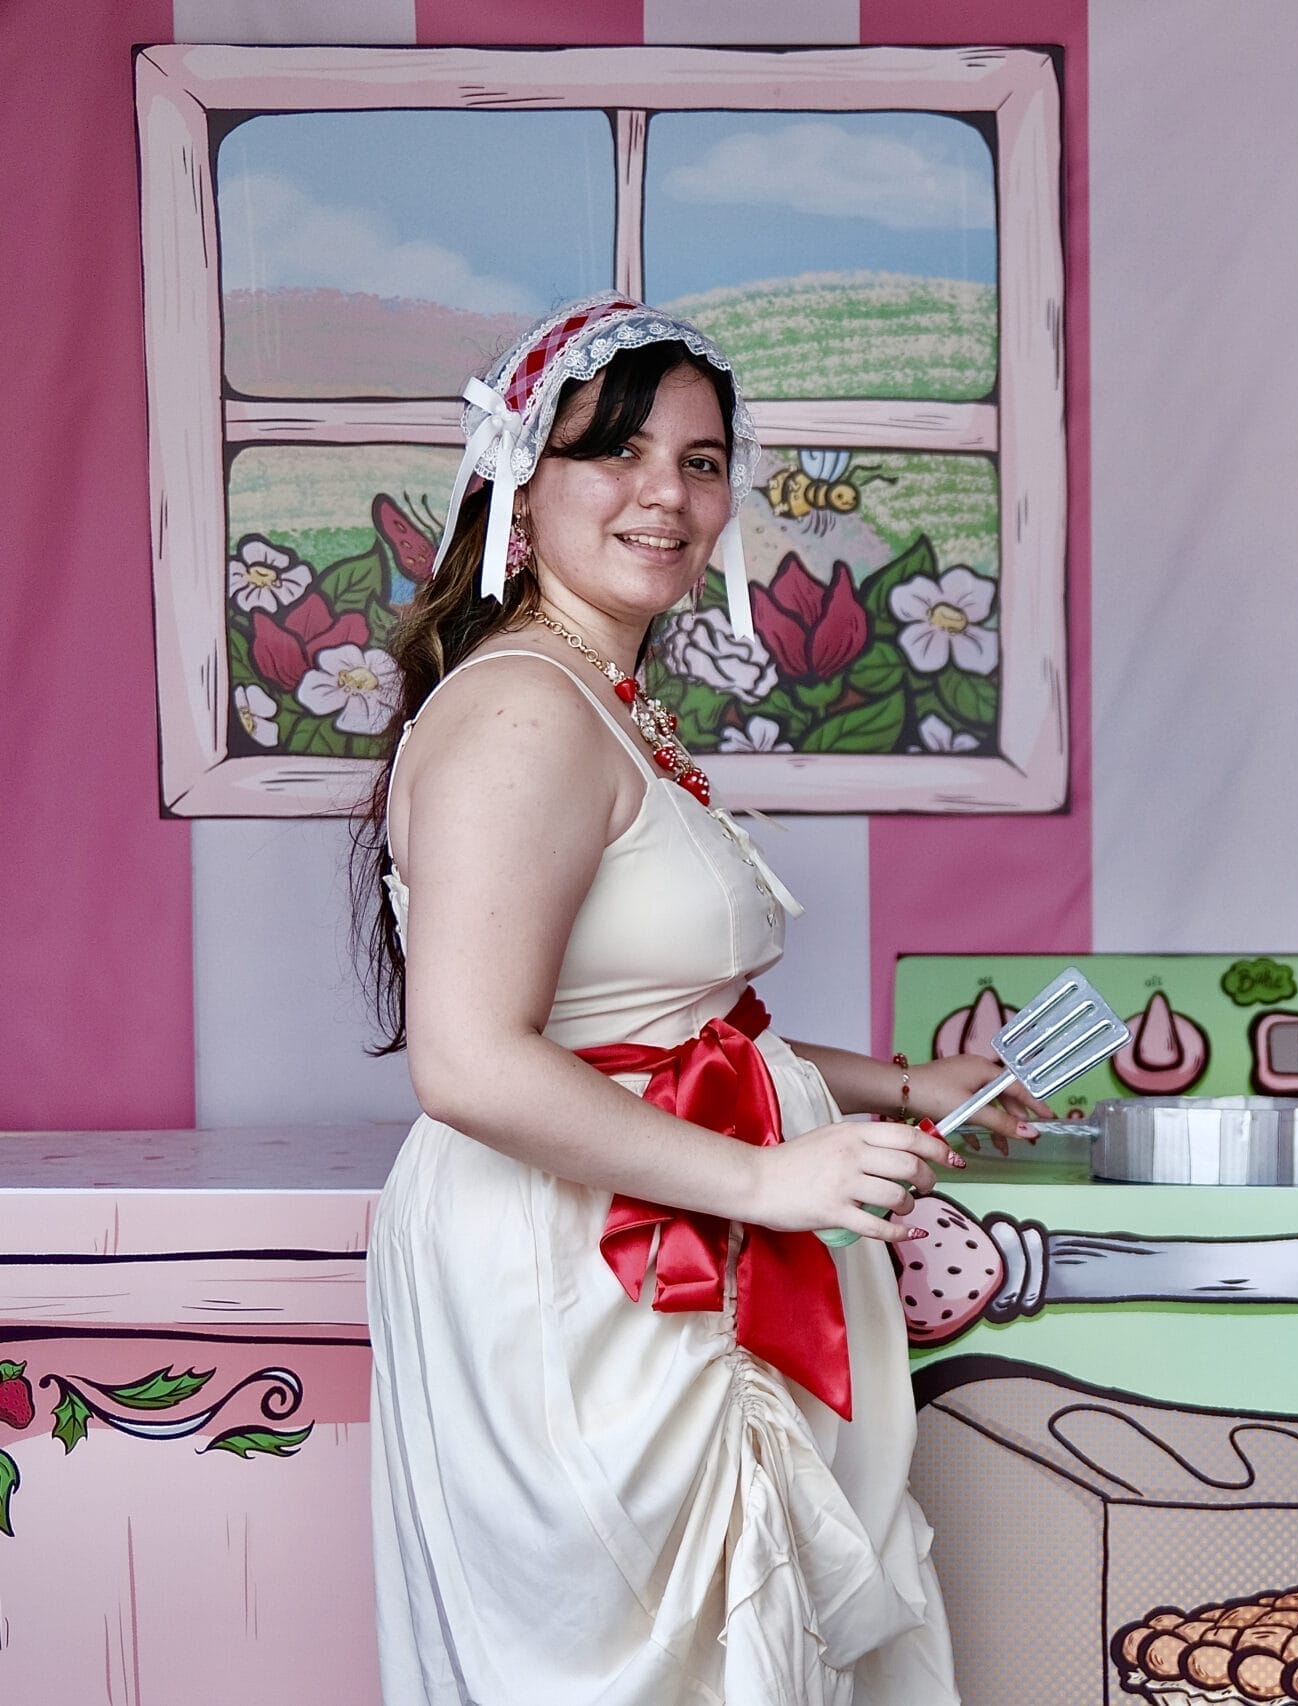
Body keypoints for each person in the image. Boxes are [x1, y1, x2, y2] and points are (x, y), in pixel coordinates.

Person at [355, 295, 1046, 1705]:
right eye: (615, 452)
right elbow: (472, 1065)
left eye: (703, 459)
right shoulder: (524, 712)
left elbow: (666, 1021)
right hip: (576, 1265)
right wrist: (768, 1175)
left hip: (655, 1229)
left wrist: (893, 1085)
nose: (666, 493)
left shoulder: (602, 695)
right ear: (516, 483)